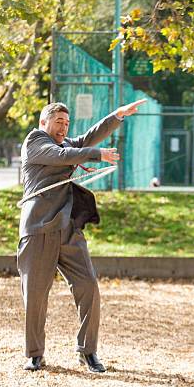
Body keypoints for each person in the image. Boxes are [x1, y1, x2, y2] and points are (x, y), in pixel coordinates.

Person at [17, 99, 146, 372]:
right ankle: (35, 353)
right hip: (39, 229)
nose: (64, 127)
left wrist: (117, 116)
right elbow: (62, 157)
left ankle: (88, 351)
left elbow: (87, 138)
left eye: (67, 123)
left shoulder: (66, 144)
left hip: (68, 229)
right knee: (36, 296)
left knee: (89, 286)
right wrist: (96, 155)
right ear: (44, 123)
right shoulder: (35, 142)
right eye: (58, 122)